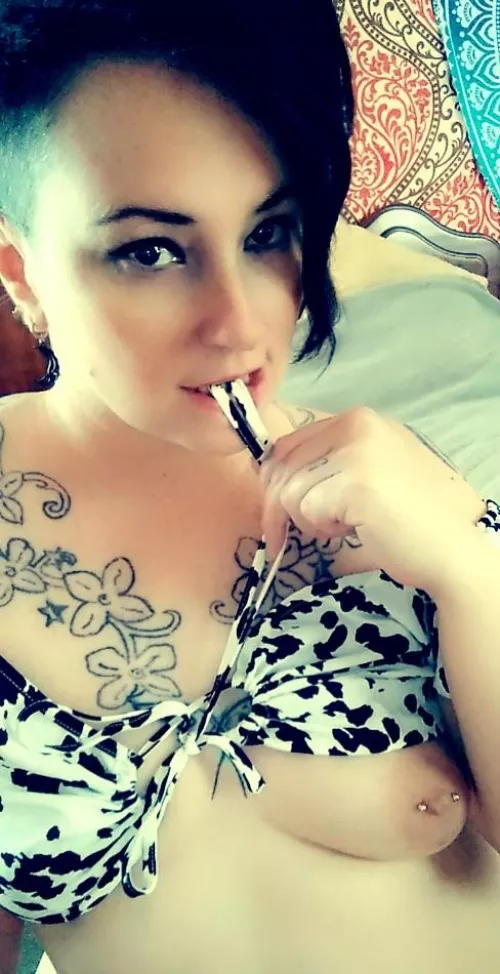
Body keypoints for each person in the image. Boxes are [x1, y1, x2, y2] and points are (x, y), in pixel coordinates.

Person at [0, 2, 499, 972]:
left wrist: (467, 567)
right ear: (21, 272)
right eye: (151, 250)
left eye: (269, 232)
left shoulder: (400, 490)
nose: (239, 325)